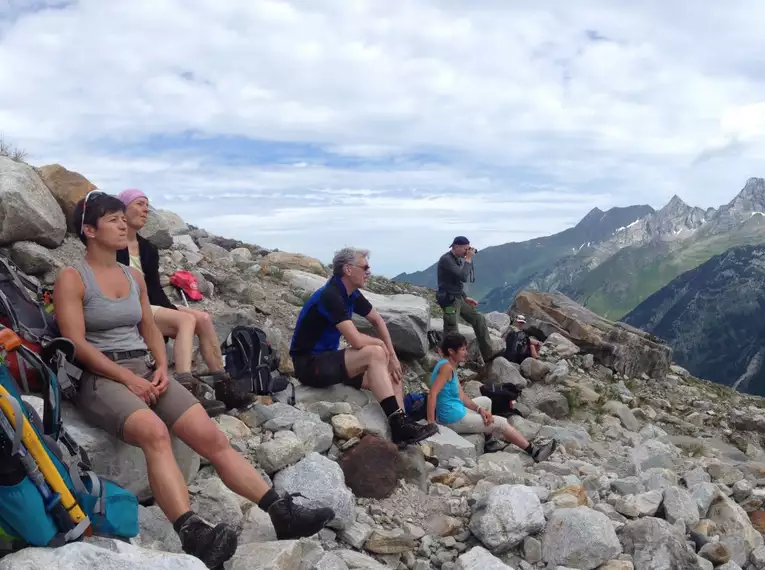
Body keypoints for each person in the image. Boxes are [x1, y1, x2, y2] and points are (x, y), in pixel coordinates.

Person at [54, 192, 334, 569]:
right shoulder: (72, 278)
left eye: (124, 218)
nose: (123, 224)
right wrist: (127, 378)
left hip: (145, 369)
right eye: (113, 220)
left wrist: (160, 367)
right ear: (89, 230)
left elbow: (149, 327)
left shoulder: (131, 275)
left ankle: (280, 512)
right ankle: (192, 533)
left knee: (212, 437)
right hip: (99, 377)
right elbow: (75, 343)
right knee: (154, 433)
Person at [115, 188, 252, 414]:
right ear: (123, 208)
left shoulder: (147, 248)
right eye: (139, 204)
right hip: (128, 306)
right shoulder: (113, 245)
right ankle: (185, 386)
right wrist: (175, 314)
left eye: (146, 205)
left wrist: (170, 309)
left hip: (149, 303)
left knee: (203, 318)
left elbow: (155, 288)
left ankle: (223, 385)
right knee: (186, 321)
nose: (145, 209)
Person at [289, 247, 439, 447]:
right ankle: (398, 422)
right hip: (310, 365)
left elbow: (378, 321)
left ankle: (403, 428)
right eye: (365, 267)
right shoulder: (331, 296)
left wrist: (393, 357)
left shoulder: (350, 294)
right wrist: (382, 347)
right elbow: (357, 341)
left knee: (391, 371)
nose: (369, 272)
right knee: (375, 352)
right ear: (348, 269)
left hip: (329, 361)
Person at [427, 332, 557, 461]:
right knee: (502, 422)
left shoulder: (448, 365)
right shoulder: (446, 368)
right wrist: (431, 424)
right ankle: (534, 452)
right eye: (462, 349)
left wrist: (480, 410)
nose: (466, 352)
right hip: (452, 419)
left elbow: (461, 396)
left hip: (455, 409)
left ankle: (488, 441)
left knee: (486, 401)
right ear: (451, 351)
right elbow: (432, 394)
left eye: (465, 348)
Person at [436, 236, 493, 364]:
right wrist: (468, 259)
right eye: (465, 249)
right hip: (449, 300)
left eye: (468, 249)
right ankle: (449, 361)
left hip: (458, 298)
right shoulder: (446, 260)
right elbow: (462, 277)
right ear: (456, 247)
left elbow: (455, 283)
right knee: (452, 329)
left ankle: (489, 355)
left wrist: (465, 297)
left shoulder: (457, 259)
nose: (467, 252)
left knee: (479, 319)